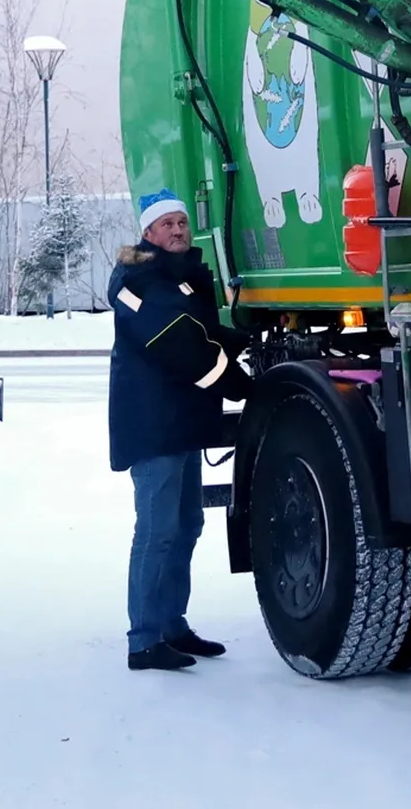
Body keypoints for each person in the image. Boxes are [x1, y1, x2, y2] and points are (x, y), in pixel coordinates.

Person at [109, 189, 253, 671]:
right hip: (154, 428)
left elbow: (204, 331)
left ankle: (172, 624)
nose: (177, 231)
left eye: (182, 224)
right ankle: (143, 639)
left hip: (182, 423)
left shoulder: (178, 279)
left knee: (186, 524)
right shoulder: (138, 283)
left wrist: (247, 336)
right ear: (147, 233)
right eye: (167, 224)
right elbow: (181, 344)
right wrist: (243, 384)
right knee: (157, 531)